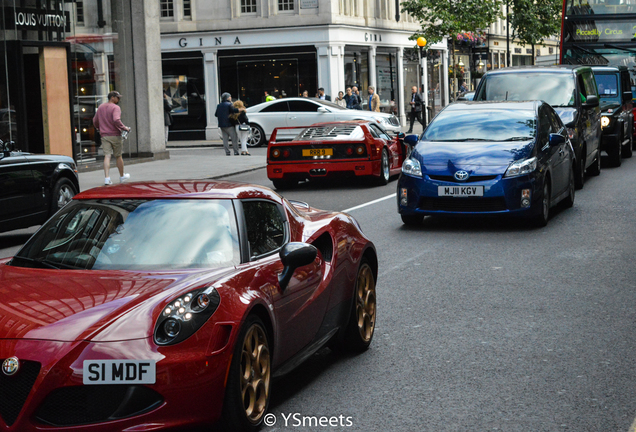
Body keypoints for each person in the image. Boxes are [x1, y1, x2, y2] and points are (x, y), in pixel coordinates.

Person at [93, 90, 131, 185]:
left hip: (104, 135)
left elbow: (95, 121)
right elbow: (116, 120)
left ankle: (107, 178)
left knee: (107, 156)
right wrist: (124, 128)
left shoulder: (101, 107)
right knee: (118, 156)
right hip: (115, 135)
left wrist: (99, 127)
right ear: (112, 98)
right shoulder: (116, 107)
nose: (118, 99)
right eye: (117, 97)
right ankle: (122, 176)